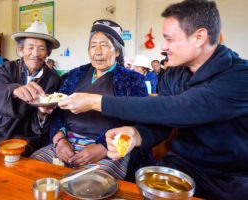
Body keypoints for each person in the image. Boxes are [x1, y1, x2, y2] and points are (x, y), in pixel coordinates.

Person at [57, 0, 248, 199]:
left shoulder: (240, 76)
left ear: (199, 37)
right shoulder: (174, 74)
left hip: (232, 178)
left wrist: (95, 101)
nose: (163, 47)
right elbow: (161, 123)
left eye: (170, 39)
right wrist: (135, 134)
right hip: (181, 167)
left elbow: (179, 109)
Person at [31, 19, 153, 179]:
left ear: (117, 51)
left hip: (110, 149)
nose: (97, 51)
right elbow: (58, 112)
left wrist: (102, 147)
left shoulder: (132, 80)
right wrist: (60, 140)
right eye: (93, 45)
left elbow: (137, 120)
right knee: (33, 168)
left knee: (91, 184)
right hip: (67, 142)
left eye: (104, 45)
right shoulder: (74, 75)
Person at [0, 21, 62, 156]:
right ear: (21, 50)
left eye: (41, 48)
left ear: (47, 53)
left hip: (30, 136)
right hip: (0, 132)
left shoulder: (53, 79)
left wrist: (42, 114)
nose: (35, 53)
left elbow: (51, 117)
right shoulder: (7, 68)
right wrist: (14, 90)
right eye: (30, 47)